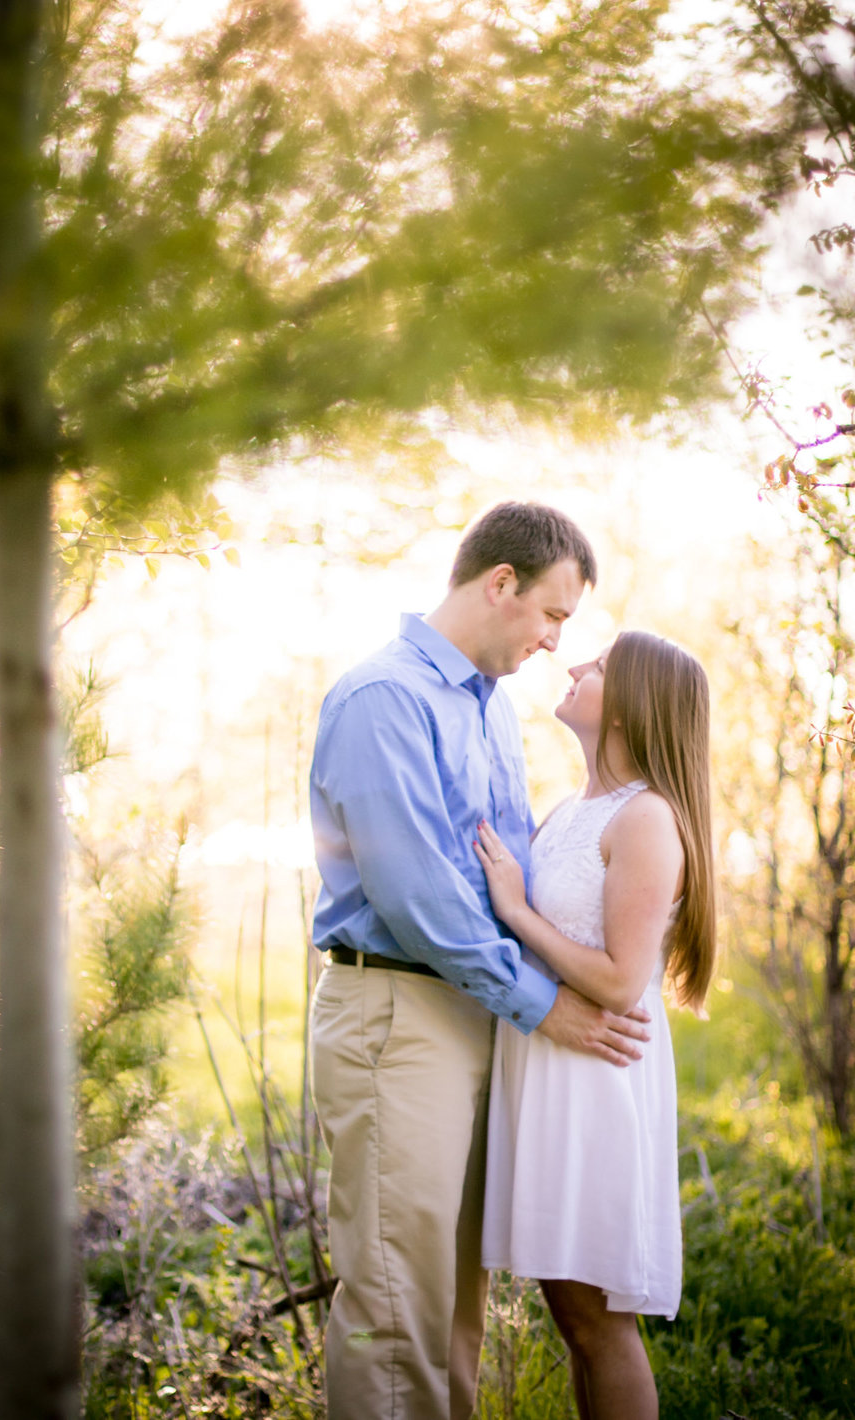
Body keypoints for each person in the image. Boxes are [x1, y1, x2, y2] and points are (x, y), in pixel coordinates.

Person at [308, 502, 651, 1420]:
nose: (553, 641)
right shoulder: (386, 698)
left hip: (471, 1016)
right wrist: (547, 1006)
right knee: (396, 1310)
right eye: (552, 614)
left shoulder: (489, 711)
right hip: (398, 1015)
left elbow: (509, 881)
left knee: (452, 1310)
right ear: (501, 583)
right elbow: (419, 897)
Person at [475, 630, 716, 1420]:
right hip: (552, 1071)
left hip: (597, 1078)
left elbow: (619, 978)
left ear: (633, 705)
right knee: (574, 1318)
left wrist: (514, 908)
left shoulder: (645, 817)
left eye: (600, 665)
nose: (575, 666)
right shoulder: (571, 811)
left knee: (598, 1324)